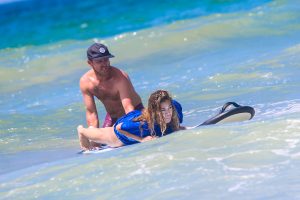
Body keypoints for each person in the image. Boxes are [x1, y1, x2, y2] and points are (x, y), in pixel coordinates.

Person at [77, 90, 185, 150]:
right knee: (106, 135)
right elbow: (120, 128)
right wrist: (141, 140)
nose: (168, 113)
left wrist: (178, 127)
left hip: (138, 118)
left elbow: (172, 116)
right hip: (120, 136)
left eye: (169, 108)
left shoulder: (175, 108)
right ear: (155, 111)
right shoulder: (143, 124)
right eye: (162, 110)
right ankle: (82, 131)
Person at [80, 43, 144, 129]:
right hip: (113, 117)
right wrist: (94, 138)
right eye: (99, 61)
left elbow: (128, 107)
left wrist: (132, 127)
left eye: (106, 59)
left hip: (135, 112)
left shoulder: (120, 77)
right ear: (90, 63)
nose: (104, 64)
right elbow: (91, 113)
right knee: (101, 141)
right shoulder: (86, 82)